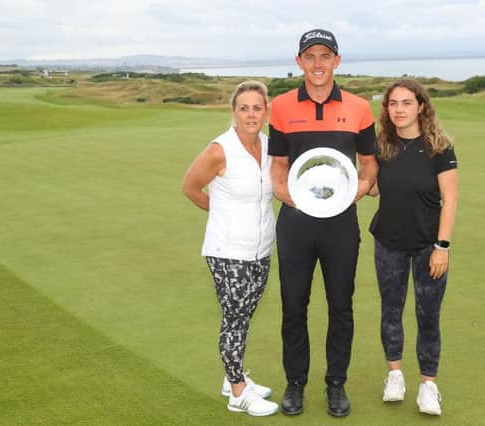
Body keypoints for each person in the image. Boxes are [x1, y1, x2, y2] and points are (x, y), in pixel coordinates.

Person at [268, 29, 378, 417]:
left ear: (337, 61)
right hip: (296, 221)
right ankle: (295, 383)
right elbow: (279, 166)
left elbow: (368, 163)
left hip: (340, 223)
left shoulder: (360, 107)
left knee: (340, 305)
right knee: (293, 305)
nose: (317, 63)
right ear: (299, 62)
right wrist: (287, 195)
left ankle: (336, 384)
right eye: (310, 56)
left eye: (325, 56)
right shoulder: (280, 107)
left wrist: (359, 190)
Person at [182, 80, 278, 417]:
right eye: (244, 108)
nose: (251, 114)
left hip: (262, 248)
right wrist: (221, 212)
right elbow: (190, 187)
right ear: (233, 112)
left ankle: (231, 377)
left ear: (265, 111)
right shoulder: (219, 149)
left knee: (245, 314)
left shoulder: (269, 146)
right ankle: (237, 391)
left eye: (257, 108)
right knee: (235, 318)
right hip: (227, 251)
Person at [368, 78, 458, 416]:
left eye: (406, 103)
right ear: (387, 108)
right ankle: (395, 376)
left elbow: (449, 200)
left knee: (428, 315)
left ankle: (428, 386)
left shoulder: (439, 147)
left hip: (427, 246)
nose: (399, 110)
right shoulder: (383, 146)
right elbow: (373, 189)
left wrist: (442, 246)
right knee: (391, 311)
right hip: (388, 242)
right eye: (393, 103)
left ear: (421, 106)